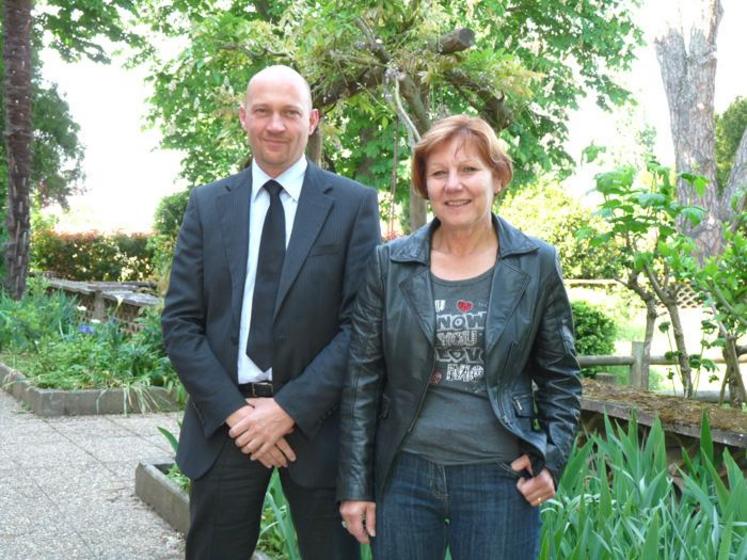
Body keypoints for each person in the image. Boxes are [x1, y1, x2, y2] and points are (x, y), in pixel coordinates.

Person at [337, 115, 582, 559]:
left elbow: (561, 376)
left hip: (501, 478)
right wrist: (356, 487)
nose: (454, 185)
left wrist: (552, 457)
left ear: (498, 177)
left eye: (469, 170)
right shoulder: (389, 265)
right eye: (439, 173)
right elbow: (361, 382)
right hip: (404, 477)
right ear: (424, 184)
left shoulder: (536, 263)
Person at [162, 65, 380, 560]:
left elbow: (362, 328)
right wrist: (240, 416)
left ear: (314, 120)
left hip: (318, 430)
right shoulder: (207, 204)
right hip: (225, 427)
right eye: (263, 111)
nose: (276, 125)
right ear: (244, 117)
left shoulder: (352, 205)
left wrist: (286, 412)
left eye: (290, 112)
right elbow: (180, 323)